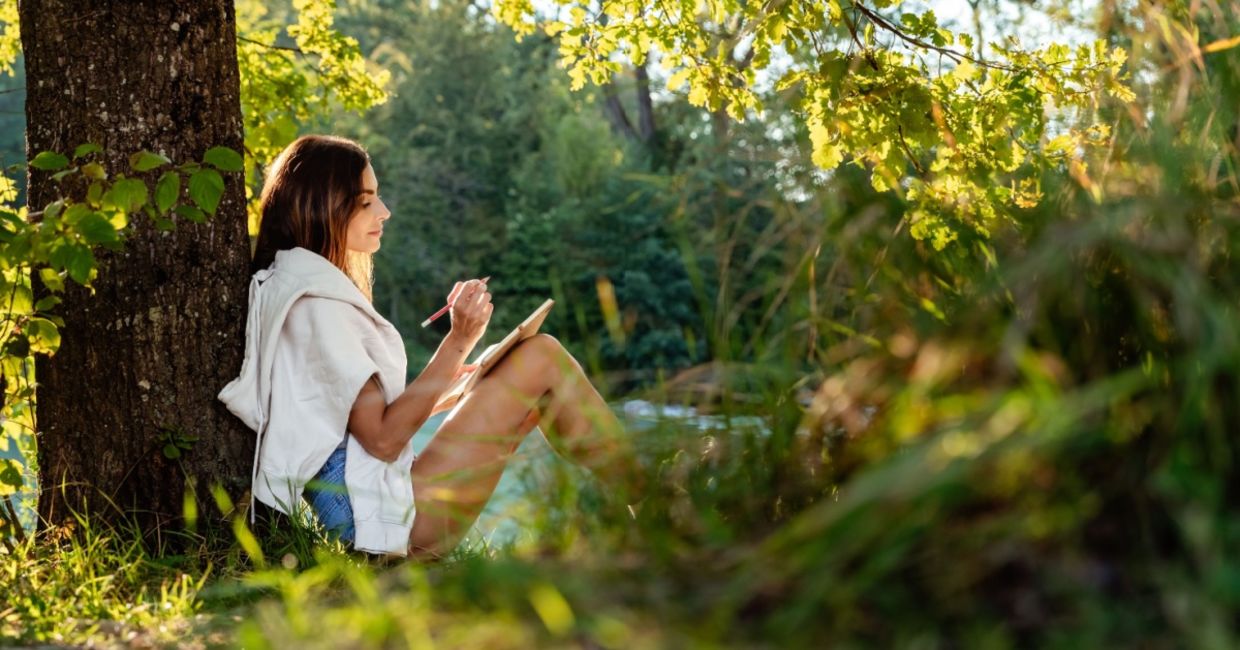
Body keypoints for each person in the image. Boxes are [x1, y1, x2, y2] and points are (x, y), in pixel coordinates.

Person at [219, 134, 635, 559]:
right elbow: (381, 440)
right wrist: (459, 340)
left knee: (528, 395)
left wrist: (451, 393)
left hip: (378, 511)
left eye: (377, 198)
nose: (384, 211)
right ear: (321, 206)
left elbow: (348, 425)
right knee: (541, 355)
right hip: (384, 526)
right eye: (365, 202)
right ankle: (652, 497)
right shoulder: (316, 305)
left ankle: (639, 504)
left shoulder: (296, 287)